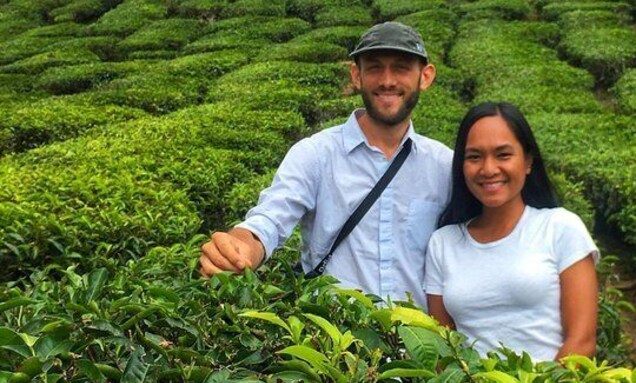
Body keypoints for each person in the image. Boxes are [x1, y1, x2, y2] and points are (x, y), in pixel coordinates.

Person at [199, 22, 452, 307]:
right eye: (374, 68)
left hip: (421, 346)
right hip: (333, 344)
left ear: (426, 76)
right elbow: (270, 219)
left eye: (402, 68)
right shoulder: (315, 154)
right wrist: (240, 246)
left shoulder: (445, 166)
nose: (387, 80)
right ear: (356, 75)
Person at [425, 102, 599, 361]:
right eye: (474, 157)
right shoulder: (443, 243)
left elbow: (582, 341)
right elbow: (442, 348)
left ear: (528, 161)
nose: (488, 169)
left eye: (503, 155)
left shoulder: (561, 228)